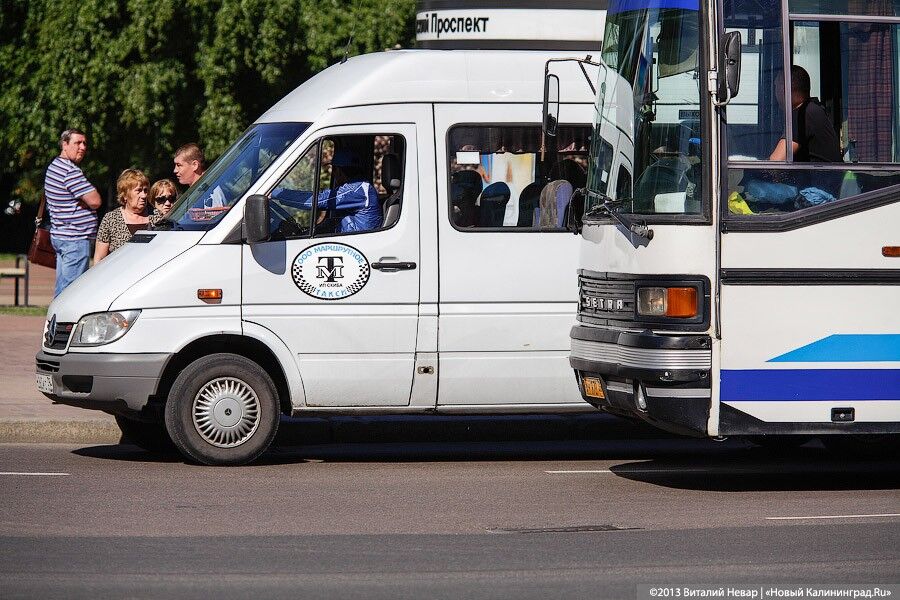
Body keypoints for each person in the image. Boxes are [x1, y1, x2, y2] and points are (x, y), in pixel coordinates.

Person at [44, 128, 102, 296]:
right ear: (65, 144)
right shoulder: (70, 171)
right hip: (74, 239)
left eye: (84, 143)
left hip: (62, 236)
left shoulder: (54, 166)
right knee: (70, 293)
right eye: (77, 143)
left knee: (62, 289)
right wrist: (84, 202)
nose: (82, 147)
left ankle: (55, 315)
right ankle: (60, 315)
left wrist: (81, 201)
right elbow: (96, 201)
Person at [271, 149, 383, 233]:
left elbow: (317, 201)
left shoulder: (357, 190)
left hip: (357, 241)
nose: (333, 173)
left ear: (340, 170)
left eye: (334, 169)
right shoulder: (358, 187)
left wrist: (275, 193)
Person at [93, 169, 150, 262]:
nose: (144, 195)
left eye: (145, 190)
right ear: (125, 195)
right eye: (138, 191)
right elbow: (99, 258)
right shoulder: (111, 219)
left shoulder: (156, 217)